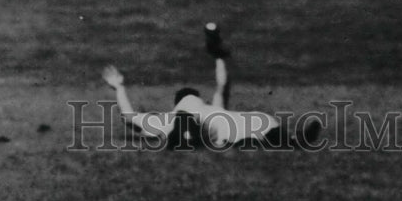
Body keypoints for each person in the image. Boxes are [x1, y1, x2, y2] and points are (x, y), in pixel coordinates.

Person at [102, 23, 300, 150]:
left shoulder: (167, 118)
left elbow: (129, 117)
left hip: (202, 131)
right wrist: (218, 56)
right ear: (200, 98)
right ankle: (291, 141)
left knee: (193, 125)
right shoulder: (213, 108)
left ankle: (187, 136)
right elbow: (222, 84)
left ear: (176, 102)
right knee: (263, 129)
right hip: (246, 129)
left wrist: (119, 88)